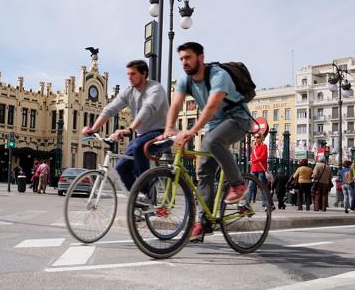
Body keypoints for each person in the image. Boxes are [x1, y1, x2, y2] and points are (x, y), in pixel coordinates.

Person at [159, 42, 252, 242]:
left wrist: (191, 132)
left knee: (212, 142)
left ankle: (238, 184)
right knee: (203, 171)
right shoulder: (186, 80)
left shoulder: (219, 75)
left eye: (188, 57)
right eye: (181, 58)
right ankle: (203, 222)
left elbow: (210, 108)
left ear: (200, 58)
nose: (184, 62)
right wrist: (169, 128)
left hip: (238, 119)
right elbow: (175, 104)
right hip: (214, 124)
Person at [81, 59, 169, 191]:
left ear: (144, 74)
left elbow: (147, 109)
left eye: (133, 74)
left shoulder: (156, 89)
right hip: (142, 135)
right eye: (128, 74)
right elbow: (110, 109)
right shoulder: (129, 92)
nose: (129, 77)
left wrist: (129, 129)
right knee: (121, 167)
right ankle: (137, 199)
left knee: (139, 146)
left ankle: (145, 194)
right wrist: (94, 128)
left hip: (162, 133)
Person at [248, 133, 274, 211]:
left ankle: (266, 205)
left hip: (261, 169)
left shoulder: (264, 146)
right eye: (255, 137)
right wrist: (252, 161)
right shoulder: (253, 147)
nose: (256, 138)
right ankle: (247, 204)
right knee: (250, 186)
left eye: (258, 137)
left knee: (262, 187)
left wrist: (253, 161)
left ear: (261, 138)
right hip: (253, 169)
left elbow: (263, 157)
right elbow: (252, 157)